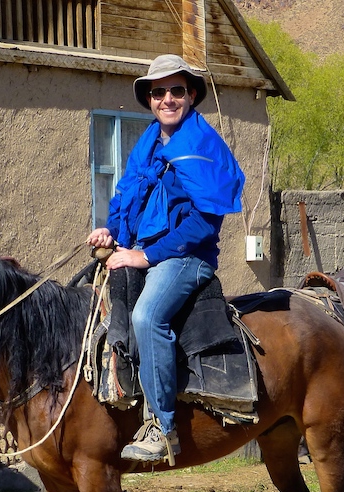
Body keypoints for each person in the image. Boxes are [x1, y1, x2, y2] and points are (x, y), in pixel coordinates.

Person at [87, 54, 245, 462]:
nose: (167, 99)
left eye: (176, 90)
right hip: (144, 250)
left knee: (146, 317)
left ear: (191, 95)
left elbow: (203, 224)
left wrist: (144, 256)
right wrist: (111, 232)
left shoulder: (202, 144)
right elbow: (127, 195)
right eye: (159, 92)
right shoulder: (148, 142)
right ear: (150, 99)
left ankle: (162, 427)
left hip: (186, 257)